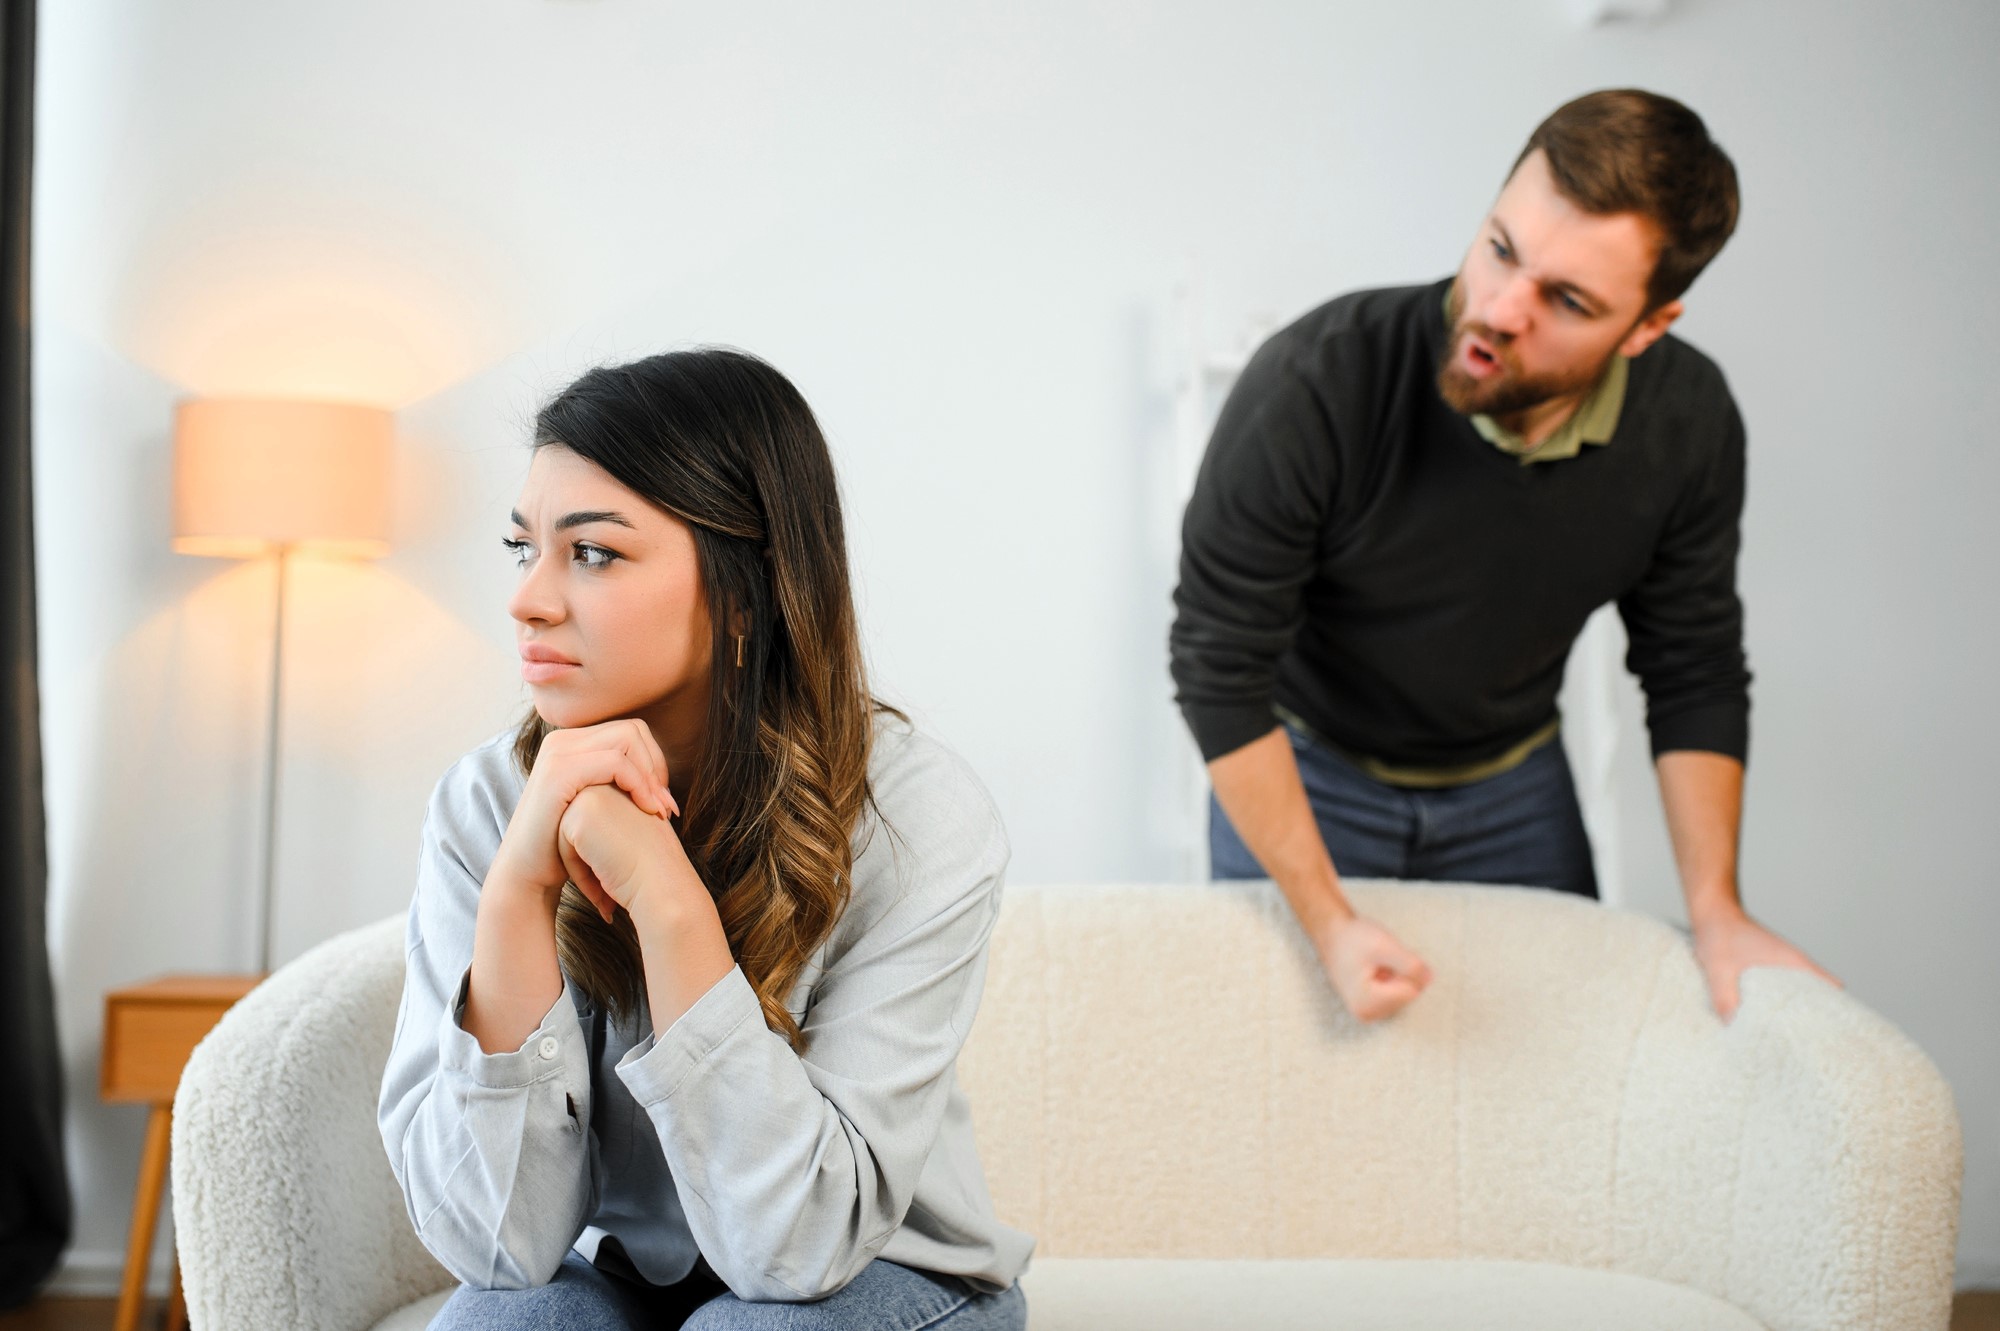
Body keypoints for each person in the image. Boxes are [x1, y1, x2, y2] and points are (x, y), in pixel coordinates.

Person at [377, 349, 1033, 1330]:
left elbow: (797, 1249)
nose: (527, 598)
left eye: (591, 551)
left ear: (742, 589)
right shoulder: (487, 802)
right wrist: (517, 886)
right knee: (498, 1323)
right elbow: (495, 1246)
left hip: (881, 1278)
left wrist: (666, 895)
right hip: (632, 1280)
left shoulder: (918, 811)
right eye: (524, 548)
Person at [1169, 89, 1837, 1026]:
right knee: (1287, 1082)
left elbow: (1692, 665)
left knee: (1552, 1074)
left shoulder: (1689, 423)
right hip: (1306, 770)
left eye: (1567, 300)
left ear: (1648, 327)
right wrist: (1329, 921)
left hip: (1512, 785)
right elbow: (1215, 665)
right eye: (1500, 249)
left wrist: (1717, 913)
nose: (1499, 310)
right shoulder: (1320, 379)